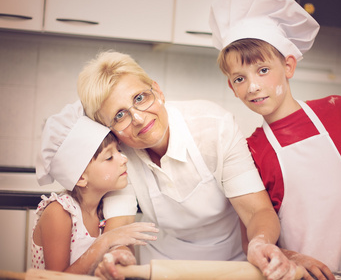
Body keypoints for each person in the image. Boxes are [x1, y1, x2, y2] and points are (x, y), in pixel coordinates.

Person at [76, 50, 302, 280]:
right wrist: (120, 254)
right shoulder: (119, 153)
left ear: (157, 90)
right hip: (161, 266)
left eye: (140, 98)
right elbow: (120, 226)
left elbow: (257, 210)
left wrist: (260, 244)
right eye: (120, 115)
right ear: (109, 128)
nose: (139, 118)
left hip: (232, 265)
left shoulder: (214, 127)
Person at [209, 0, 341, 280]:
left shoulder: (337, 112)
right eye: (239, 78)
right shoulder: (249, 152)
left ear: (288, 66)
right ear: (231, 88)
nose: (253, 87)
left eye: (262, 70)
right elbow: (254, 242)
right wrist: (291, 257)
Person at [33, 100, 158, 275]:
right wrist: (105, 241)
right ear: (81, 178)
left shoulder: (102, 211)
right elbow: (57, 278)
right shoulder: (60, 212)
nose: (124, 159)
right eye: (109, 157)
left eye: (119, 152)